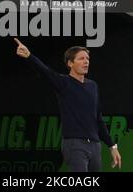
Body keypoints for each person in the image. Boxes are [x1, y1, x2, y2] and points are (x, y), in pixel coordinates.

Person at [14, 38, 121, 172]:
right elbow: (45, 71)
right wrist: (29, 56)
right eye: (81, 58)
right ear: (70, 63)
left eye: (87, 58)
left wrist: (112, 147)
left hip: (95, 146)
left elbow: (98, 119)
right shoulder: (63, 83)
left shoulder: (93, 86)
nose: (86, 61)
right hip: (75, 145)